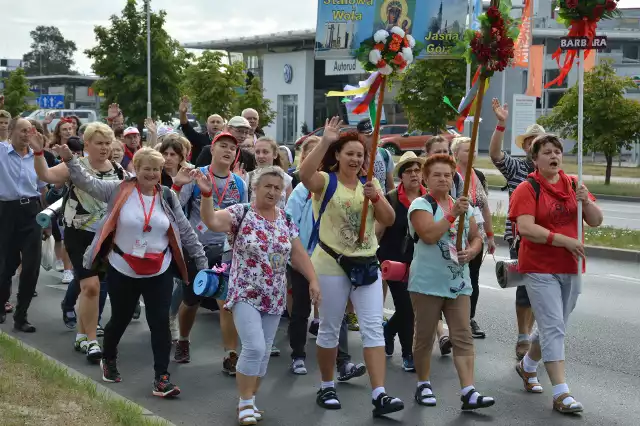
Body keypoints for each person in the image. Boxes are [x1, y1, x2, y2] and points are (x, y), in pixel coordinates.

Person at [58, 145, 208, 397]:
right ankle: (109, 358)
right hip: (123, 268)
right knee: (120, 319)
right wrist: (71, 160)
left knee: (159, 323)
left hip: (158, 270)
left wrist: (201, 261)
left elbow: (185, 231)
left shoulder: (168, 196)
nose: (151, 174)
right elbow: (88, 183)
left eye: (156, 169)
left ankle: (162, 378)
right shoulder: (120, 189)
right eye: (146, 169)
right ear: (135, 169)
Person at [194, 165, 320, 425]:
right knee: (254, 347)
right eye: (267, 186)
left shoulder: (285, 219)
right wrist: (207, 196)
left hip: (274, 297)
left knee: (262, 355)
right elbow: (212, 221)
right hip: (245, 294)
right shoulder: (243, 212)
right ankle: (245, 402)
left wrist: (313, 280)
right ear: (255, 188)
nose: (273, 192)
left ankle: (251, 399)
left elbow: (298, 254)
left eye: (277, 188)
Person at [299, 118, 404, 417]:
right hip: (331, 264)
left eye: (360, 155)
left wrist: (376, 197)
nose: (356, 159)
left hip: (366, 265)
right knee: (330, 329)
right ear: (338, 156)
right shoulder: (326, 181)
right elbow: (304, 174)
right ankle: (326, 384)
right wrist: (325, 140)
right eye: (350, 154)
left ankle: (380, 394)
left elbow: (388, 219)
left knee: (372, 330)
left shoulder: (367, 186)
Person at [509, 134, 602, 414]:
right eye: (547, 152)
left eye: (557, 152)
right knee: (553, 328)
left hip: (571, 267)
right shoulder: (527, 188)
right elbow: (525, 228)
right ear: (535, 159)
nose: (554, 156)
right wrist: (563, 240)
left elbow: (596, 221)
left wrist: (586, 202)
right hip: (540, 267)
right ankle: (561, 393)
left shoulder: (574, 184)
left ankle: (527, 366)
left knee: (556, 325)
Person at [32, 122, 126, 361]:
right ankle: (93, 341)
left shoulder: (118, 170)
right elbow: (45, 175)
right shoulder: (75, 166)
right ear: (87, 145)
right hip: (78, 234)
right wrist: (38, 153)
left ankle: (82, 336)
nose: (104, 148)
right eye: (99, 143)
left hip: (106, 236)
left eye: (107, 143)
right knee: (91, 286)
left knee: (93, 289)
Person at [408, 154, 494, 411]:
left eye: (447, 175)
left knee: (463, 336)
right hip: (427, 283)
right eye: (437, 175)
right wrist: (452, 215)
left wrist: (473, 250)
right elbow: (429, 235)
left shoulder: (462, 204)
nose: (444, 179)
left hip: (458, 283)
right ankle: (423, 384)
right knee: (424, 338)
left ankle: (468, 391)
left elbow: (476, 236)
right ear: (426, 178)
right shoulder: (421, 205)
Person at [286, 136, 367, 380]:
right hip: (304, 258)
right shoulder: (302, 190)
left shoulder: (340, 184)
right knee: (301, 309)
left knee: (336, 312)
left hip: (333, 259)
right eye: (313, 155)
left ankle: (343, 362)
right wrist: (299, 255)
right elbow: (290, 224)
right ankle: (298, 354)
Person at [171, 132, 247, 374]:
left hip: (225, 250)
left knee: (226, 302)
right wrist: (179, 182)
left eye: (232, 149)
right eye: (222, 146)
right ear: (212, 150)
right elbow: (175, 205)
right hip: (196, 248)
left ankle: (230, 354)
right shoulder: (197, 175)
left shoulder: (239, 183)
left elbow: (244, 216)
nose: (228, 151)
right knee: (192, 300)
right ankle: (183, 339)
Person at [488, 98, 545, 359]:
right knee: (524, 287)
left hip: (548, 240)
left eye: (540, 141)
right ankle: (523, 336)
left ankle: (532, 333)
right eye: (531, 141)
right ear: (525, 146)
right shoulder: (517, 168)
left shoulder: (552, 172)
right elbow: (495, 155)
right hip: (521, 237)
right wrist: (501, 124)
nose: (536, 144)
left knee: (541, 289)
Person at [377, 151, 426, 372]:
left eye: (418, 170)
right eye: (409, 171)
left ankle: (388, 330)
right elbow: (378, 232)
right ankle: (408, 353)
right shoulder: (391, 198)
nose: (414, 175)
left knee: (415, 308)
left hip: (423, 262)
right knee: (406, 308)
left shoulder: (430, 199)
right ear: (401, 176)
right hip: (395, 263)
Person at [0, 118, 47, 332]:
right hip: (5, 211)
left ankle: (21, 316)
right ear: (10, 132)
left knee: (31, 266)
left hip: (31, 212)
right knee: (5, 266)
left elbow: (42, 188)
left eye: (29, 131)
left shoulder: (36, 157)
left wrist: (46, 219)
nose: (26, 134)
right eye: (22, 130)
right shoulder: (1, 151)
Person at [450, 137, 497, 338]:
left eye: (474, 150)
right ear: (456, 154)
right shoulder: (451, 176)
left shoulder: (478, 175)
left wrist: (490, 235)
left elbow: (484, 207)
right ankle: (450, 321)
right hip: (454, 235)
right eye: (466, 150)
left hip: (475, 236)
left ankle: (469, 318)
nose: (472, 154)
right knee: (454, 278)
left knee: (473, 279)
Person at [246, 137, 293, 209]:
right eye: (257, 152)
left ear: (275, 155)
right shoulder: (248, 177)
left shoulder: (285, 178)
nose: (261, 156)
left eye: (265, 152)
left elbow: (290, 208)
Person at [178, 95, 225, 161]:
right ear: (206, 124)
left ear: (223, 125)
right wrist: (182, 113)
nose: (215, 124)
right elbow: (185, 127)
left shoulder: (227, 141)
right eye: (212, 122)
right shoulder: (199, 138)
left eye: (218, 122)